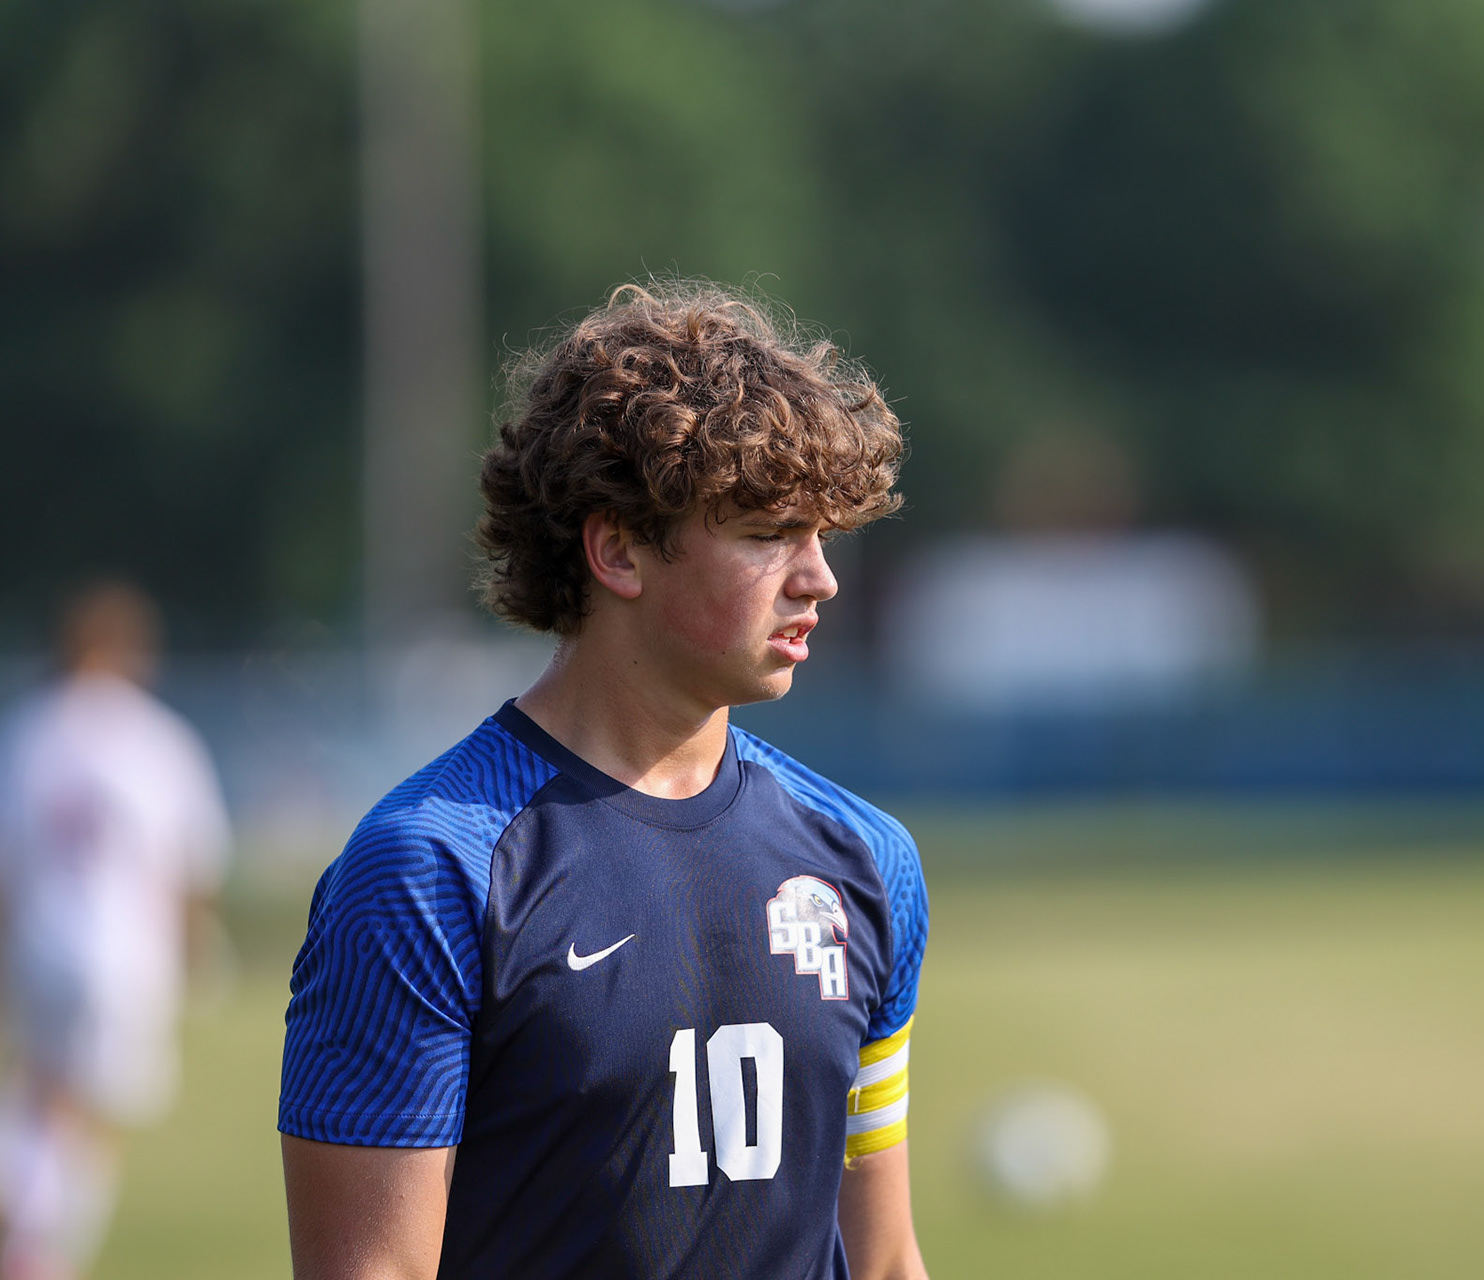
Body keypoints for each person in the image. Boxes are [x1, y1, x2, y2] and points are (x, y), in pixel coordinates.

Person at [278, 282, 930, 1279]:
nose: (818, 577)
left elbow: (882, 1259)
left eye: (823, 536)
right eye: (766, 533)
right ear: (618, 548)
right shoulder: (426, 871)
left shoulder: (868, 862)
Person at [0, 583, 230, 1280]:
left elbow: (9, 861)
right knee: (86, 1116)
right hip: (122, 956)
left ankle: (31, 1235)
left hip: (43, 944)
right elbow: (191, 861)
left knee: (46, 1095)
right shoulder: (155, 737)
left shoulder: (31, 728)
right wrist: (193, 950)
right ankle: (40, 1252)